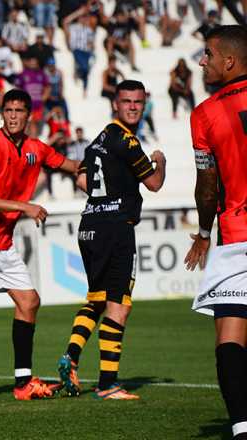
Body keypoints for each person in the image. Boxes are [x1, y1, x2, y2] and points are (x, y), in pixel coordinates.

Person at [0, 89, 81, 405]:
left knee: (29, 301)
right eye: (8, 110)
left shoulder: (35, 148)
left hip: (1, 242)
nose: (12, 115)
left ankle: (23, 383)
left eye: (19, 110)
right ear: (2, 113)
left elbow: (72, 166)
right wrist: (25, 206)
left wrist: (110, 163)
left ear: (29, 115)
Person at [57, 80, 167, 400]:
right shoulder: (128, 142)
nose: (133, 107)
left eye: (138, 102)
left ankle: (72, 356)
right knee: (119, 306)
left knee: (97, 299)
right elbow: (155, 184)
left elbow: (80, 178)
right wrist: (160, 160)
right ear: (115, 105)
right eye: (127, 101)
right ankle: (108, 384)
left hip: (89, 226)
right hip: (116, 228)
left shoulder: (100, 139)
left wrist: (106, 191)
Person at [184, 25, 247, 440]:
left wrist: (204, 230)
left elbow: (207, 187)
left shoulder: (205, 114)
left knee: (230, 336)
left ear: (229, 61)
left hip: (237, 232)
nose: (201, 60)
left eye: (207, 53)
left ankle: (242, 428)